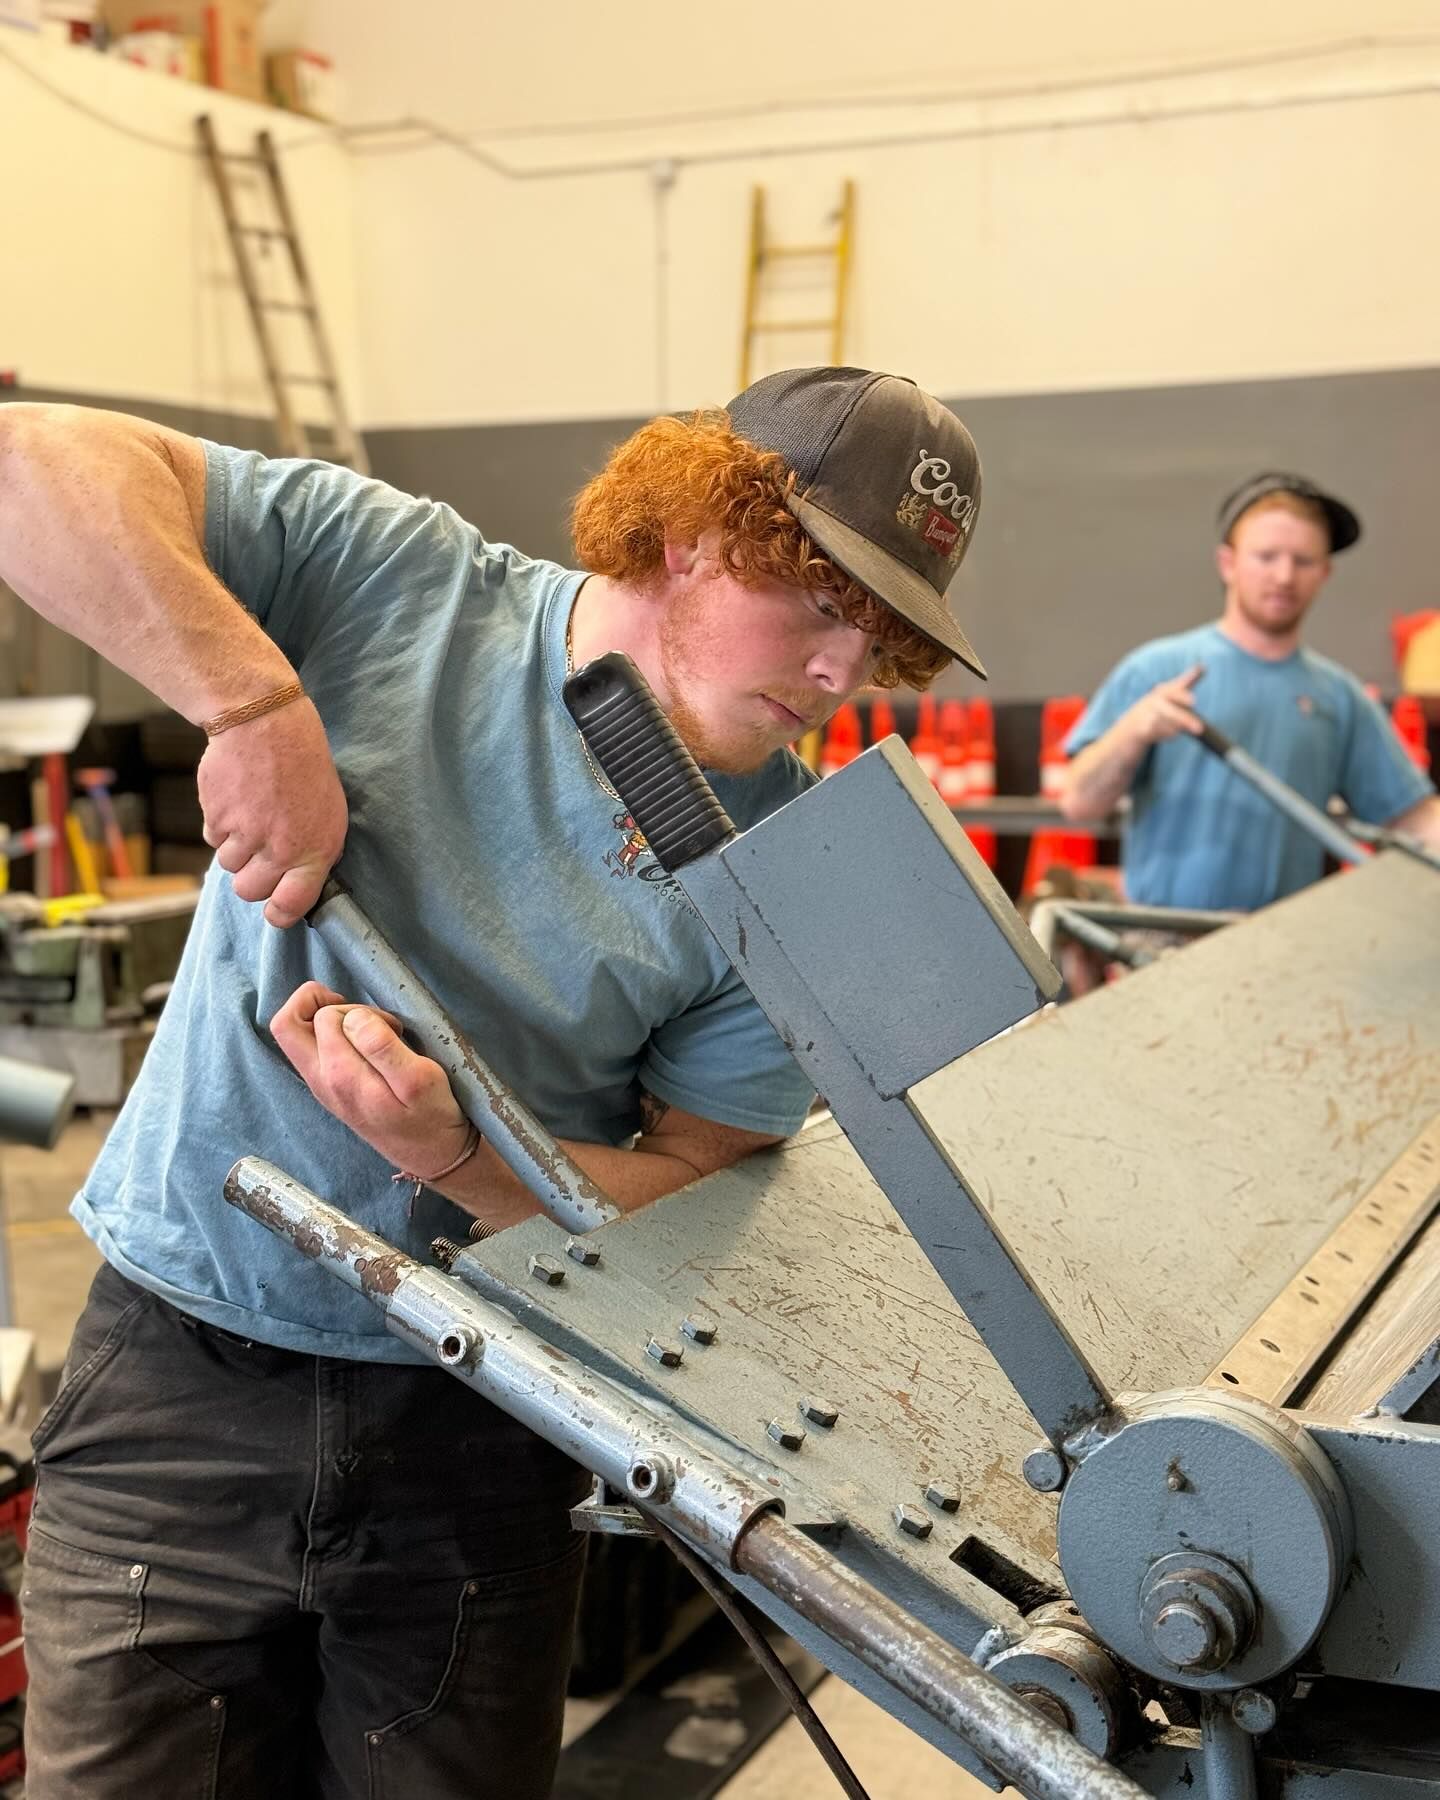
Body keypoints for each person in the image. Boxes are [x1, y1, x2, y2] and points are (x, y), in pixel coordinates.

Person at [0, 365, 984, 1799]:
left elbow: (701, 1179)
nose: (842, 671)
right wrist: (254, 704)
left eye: (879, 636)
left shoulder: (774, 866)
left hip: (479, 1419)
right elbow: (35, 467)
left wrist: (458, 1159)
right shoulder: (391, 579)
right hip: (178, 1373)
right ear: (702, 532)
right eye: (825, 605)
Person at [1058, 471, 1440, 911]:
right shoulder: (1156, 671)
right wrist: (1133, 731)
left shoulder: (1338, 696)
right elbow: (1079, 804)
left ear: (1325, 573)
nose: (1283, 576)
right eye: (1266, 556)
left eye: (1303, 561)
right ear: (1228, 563)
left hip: (1279, 951)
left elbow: (1412, 819)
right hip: (1158, 945)